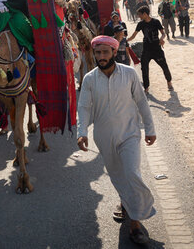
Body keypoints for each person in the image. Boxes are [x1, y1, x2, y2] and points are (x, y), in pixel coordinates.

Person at [77, 35, 156, 244]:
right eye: (98, 52)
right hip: (104, 137)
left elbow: (141, 102)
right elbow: (84, 107)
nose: (101, 56)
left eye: (105, 52)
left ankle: (136, 224)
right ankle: (125, 202)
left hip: (129, 134)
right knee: (118, 176)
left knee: (132, 173)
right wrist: (81, 132)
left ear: (114, 52)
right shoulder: (89, 79)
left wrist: (150, 128)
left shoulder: (129, 74)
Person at [127, 6, 173, 93]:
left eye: (140, 15)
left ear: (145, 14)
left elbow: (163, 33)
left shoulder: (156, 22)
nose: (139, 17)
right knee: (144, 68)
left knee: (164, 66)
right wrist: (126, 40)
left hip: (157, 49)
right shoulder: (141, 24)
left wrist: (162, 39)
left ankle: (169, 82)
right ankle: (146, 87)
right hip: (146, 49)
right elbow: (134, 35)